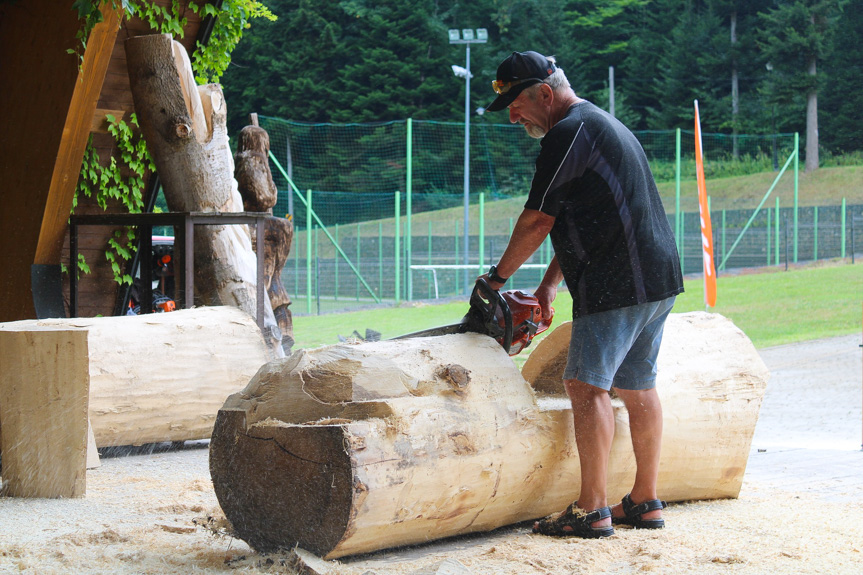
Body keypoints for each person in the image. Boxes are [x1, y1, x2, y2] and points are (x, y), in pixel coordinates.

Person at [479, 51, 684, 539]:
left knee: (586, 387)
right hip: (655, 277)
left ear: (545, 94)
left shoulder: (567, 133)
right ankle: (645, 501)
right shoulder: (596, 124)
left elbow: (537, 220)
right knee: (637, 385)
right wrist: (550, 285)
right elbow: (580, 219)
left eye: (516, 103)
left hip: (617, 280)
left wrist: (495, 282)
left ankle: (591, 510)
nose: (512, 115)